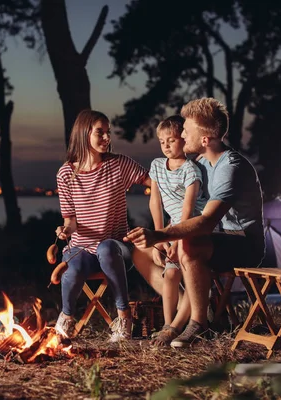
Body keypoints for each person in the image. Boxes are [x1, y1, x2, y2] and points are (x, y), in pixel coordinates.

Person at [125, 97, 265, 348]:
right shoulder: (199, 164)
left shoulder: (230, 167)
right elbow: (180, 206)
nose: (182, 135)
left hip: (244, 243)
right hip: (215, 239)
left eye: (186, 132)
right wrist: (160, 240)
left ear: (204, 139)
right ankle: (179, 318)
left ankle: (198, 324)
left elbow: (206, 222)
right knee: (147, 251)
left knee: (190, 245)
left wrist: (161, 235)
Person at [54, 109, 150, 342]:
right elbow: (71, 222)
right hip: (83, 249)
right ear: (84, 133)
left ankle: (124, 318)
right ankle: (66, 320)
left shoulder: (119, 165)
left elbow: (153, 184)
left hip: (117, 248)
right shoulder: (66, 174)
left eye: (108, 133)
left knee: (106, 248)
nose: (107, 138)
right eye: (100, 133)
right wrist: (65, 230)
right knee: (72, 270)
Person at [148, 115, 206, 345]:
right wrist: (158, 235)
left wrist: (176, 239)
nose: (166, 146)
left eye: (171, 140)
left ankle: (178, 327)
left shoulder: (191, 170)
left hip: (192, 228)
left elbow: (189, 209)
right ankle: (167, 325)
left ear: (183, 139)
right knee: (170, 275)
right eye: (162, 141)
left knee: (186, 272)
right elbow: (155, 201)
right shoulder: (156, 166)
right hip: (172, 228)